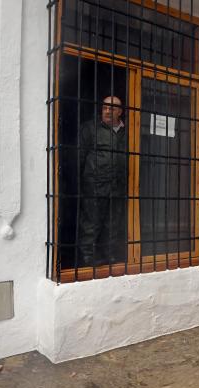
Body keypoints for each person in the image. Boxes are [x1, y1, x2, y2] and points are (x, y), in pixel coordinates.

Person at [78, 96, 128, 267]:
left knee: (113, 224)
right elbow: (79, 158)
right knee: (91, 224)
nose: (107, 111)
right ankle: (87, 258)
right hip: (94, 186)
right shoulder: (90, 128)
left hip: (118, 186)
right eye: (105, 107)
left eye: (112, 108)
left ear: (120, 112)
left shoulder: (127, 131)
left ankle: (109, 257)